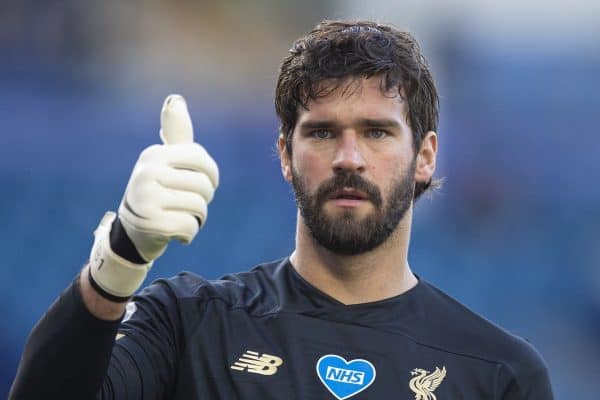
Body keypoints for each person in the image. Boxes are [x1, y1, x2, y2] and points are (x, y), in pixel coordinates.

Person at [10, 19, 553, 399]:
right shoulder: (189, 325)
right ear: (285, 156)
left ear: (424, 157)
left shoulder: (498, 372)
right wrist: (119, 261)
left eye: (376, 132)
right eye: (321, 132)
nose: (349, 158)